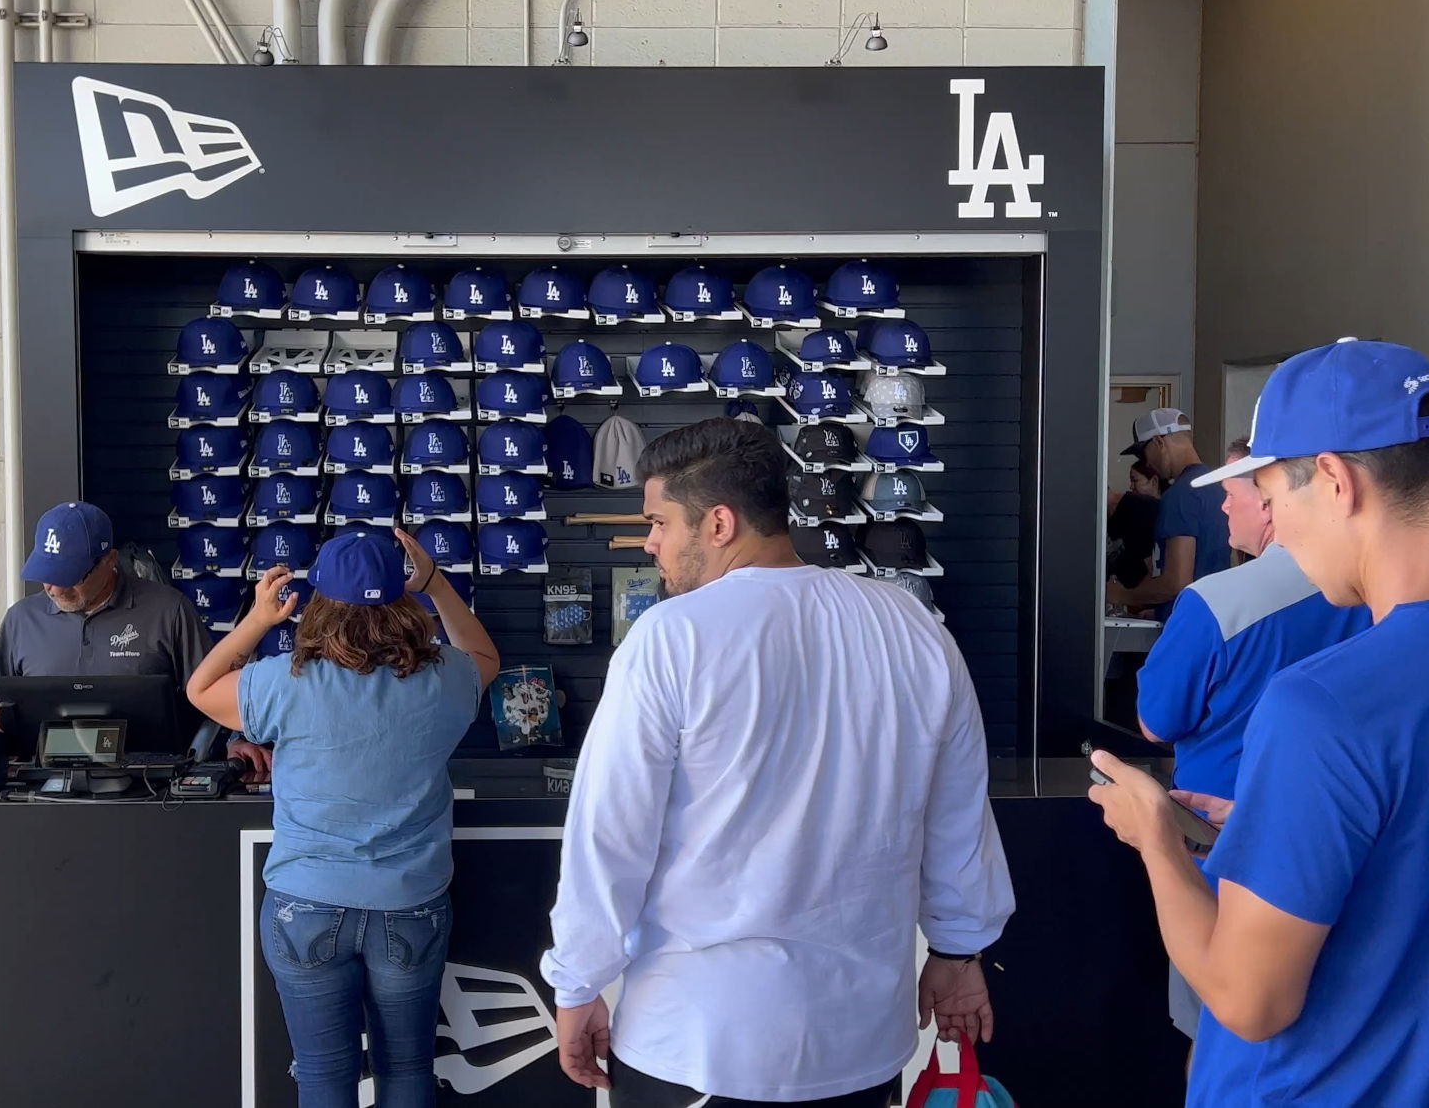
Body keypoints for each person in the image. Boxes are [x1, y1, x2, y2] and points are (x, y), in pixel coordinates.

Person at [541, 419, 1014, 1108]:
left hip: (698, 1043)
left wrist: (578, 983)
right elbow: (959, 814)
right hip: (860, 1042)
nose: (651, 545)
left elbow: (608, 838)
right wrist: (956, 952)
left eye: (660, 523)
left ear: (720, 523)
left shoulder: (668, 640)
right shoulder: (912, 628)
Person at [1091, 339, 1429, 1106]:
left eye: (1274, 497)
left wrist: (1155, 838)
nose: (1273, 528)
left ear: (1338, 482)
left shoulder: (1324, 703)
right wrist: (1268, 823)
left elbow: (1249, 1002)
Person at [185, 529, 499, 1108]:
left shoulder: (284, 681)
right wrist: (435, 583)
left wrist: (257, 619)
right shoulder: (446, 678)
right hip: (410, 904)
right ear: (401, 601)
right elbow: (486, 657)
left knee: (324, 1076)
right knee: (407, 1071)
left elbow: (200, 688)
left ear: (318, 603)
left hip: (305, 903)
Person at [1134, 436, 1371, 1047]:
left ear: (1271, 504)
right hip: (1355, 851)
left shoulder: (1215, 602)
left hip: (1223, 851)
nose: (1222, 509)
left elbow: (1156, 722)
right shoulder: (1380, 597)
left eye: (1234, 494)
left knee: (1220, 1029)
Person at [0, 502, 261, 770]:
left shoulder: (168, 611)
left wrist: (235, 739)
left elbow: (216, 688)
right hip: (43, 789)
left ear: (109, 561)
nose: (54, 589)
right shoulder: (21, 620)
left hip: (152, 788)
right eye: (46, 573)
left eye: (69, 576)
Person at [1108, 408, 1231, 615]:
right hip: (1216, 617)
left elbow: (1176, 583)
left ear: (1159, 443)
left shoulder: (1179, 495)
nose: (1146, 462)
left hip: (1189, 625)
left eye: (1143, 453)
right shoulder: (1219, 486)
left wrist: (1122, 595)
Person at [1108, 458, 1164, 590]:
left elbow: (1154, 570)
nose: (1131, 487)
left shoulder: (1142, 513)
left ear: (1154, 481)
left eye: (1135, 480)